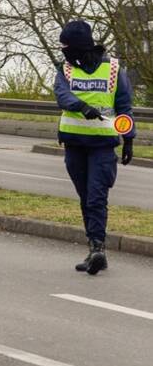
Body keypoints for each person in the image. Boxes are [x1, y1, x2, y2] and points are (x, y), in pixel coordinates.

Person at [54, 20, 135, 275]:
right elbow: (62, 95)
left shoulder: (113, 70)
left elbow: (124, 107)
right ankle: (93, 248)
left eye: (66, 46)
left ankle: (98, 248)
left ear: (78, 45)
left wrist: (129, 138)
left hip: (102, 146)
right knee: (86, 198)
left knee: (96, 197)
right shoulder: (65, 70)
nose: (63, 51)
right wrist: (82, 106)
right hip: (74, 145)